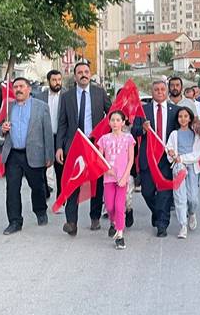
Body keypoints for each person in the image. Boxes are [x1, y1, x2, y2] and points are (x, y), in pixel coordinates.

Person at [56, 61, 111, 236]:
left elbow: (112, 115)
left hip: (95, 145)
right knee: (72, 183)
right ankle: (71, 222)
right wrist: (59, 147)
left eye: (86, 71)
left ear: (90, 74)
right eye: (79, 72)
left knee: (97, 183)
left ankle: (95, 216)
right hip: (74, 146)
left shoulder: (99, 93)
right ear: (75, 76)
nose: (83, 74)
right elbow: (62, 123)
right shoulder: (66, 97)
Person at [0, 77, 54, 235]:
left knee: (37, 186)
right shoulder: (8, 108)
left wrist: (49, 154)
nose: (18, 89)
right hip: (13, 154)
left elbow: (47, 132)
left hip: (34, 153)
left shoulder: (41, 107)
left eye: (21, 86)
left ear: (29, 89)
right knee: (12, 189)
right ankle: (15, 221)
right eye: (15, 87)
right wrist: (2, 129)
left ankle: (40, 210)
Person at [132, 80, 180, 237]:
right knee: (147, 192)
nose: (159, 92)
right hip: (149, 158)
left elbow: (181, 132)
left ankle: (162, 224)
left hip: (166, 158)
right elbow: (134, 131)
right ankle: (157, 211)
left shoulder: (175, 111)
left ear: (166, 92)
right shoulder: (142, 110)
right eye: (156, 89)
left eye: (162, 89)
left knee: (165, 193)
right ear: (151, 92)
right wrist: (143, 130)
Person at [165, 106, 200, 239]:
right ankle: (183, 225)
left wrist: (182, 158)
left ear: (190, 118)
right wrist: (171, 153)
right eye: (180, 116)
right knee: (180, 197)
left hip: (192, 168)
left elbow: (197, 154)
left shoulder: (196, 134)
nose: (183, 119)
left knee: (192, 197)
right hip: (179, 168)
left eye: (185, 116)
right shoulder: (174, 134)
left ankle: (192, 212)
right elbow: (169, 148)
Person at [99, 110, 135, 250]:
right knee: (110, 206)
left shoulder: (128, 138)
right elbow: (99, 159)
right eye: (112, 120)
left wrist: (125, 176)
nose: (115, 123)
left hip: (122, 178)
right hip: (109, 178)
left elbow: (131, 159)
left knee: (120, 206)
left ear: (123, 122)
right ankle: (113, 222)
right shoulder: (104, 139)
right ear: (109, 122)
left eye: (118, 120)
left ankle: (120, 234)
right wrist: (106, 169)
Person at [34, 69, 64, 202]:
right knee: (42, 167)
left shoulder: (66, 96)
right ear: (49, 81)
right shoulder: (40, 97)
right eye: (54, 80)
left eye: (59, 80)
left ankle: (60, 199)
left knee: (60, 169)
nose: (57, 83)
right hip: (44, 137)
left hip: (60, 136)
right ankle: (45, 190)